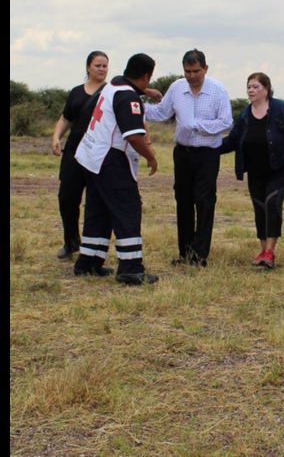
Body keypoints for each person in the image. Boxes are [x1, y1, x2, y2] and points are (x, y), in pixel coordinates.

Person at [72, 53, 159, 285]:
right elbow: (134, 136)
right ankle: (131, 268)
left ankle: (88, 262)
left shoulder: (113, 85)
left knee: (98, 211)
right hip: (110, 160)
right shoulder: (127, 97)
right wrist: (151, 157)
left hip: (91, 157)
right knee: (128, 210)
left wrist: (145, 92)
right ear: (146, 75)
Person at [143, 49, 233, 267]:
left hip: (207, 154)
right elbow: (161, 113)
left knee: (204, 201)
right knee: (182, 201)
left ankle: (200, 255)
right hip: (182, 153)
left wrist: (196, 125)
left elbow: (226, 122)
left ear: (205, 68)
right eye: (187, 71)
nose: (192, 76)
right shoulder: (176, 87)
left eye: (196, 71)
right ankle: (185, 253)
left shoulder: (218, 90)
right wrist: (135, 106)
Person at [220, 72, 284, 269]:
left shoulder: (281, 109)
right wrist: (208, 148)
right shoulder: (245, 114)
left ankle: (270, 252)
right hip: (255, 171)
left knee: (272, 203)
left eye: (256, 86)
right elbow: (232, 140)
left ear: (266, 89)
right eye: (249, 86)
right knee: (260, 208)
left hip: (280, 169)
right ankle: (263, 249)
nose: (251, 90)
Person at [50, 51, 110, 260]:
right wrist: (56, 137)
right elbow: (65, 118)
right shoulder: (76, 92)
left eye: (104, 66)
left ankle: (93, 246)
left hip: (98, 152)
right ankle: (70, 242)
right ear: (88, 67)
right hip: (74, 151)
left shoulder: (110, 92)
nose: (101, 69)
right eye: (97, 66)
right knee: (67, 198)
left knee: (96, 201)